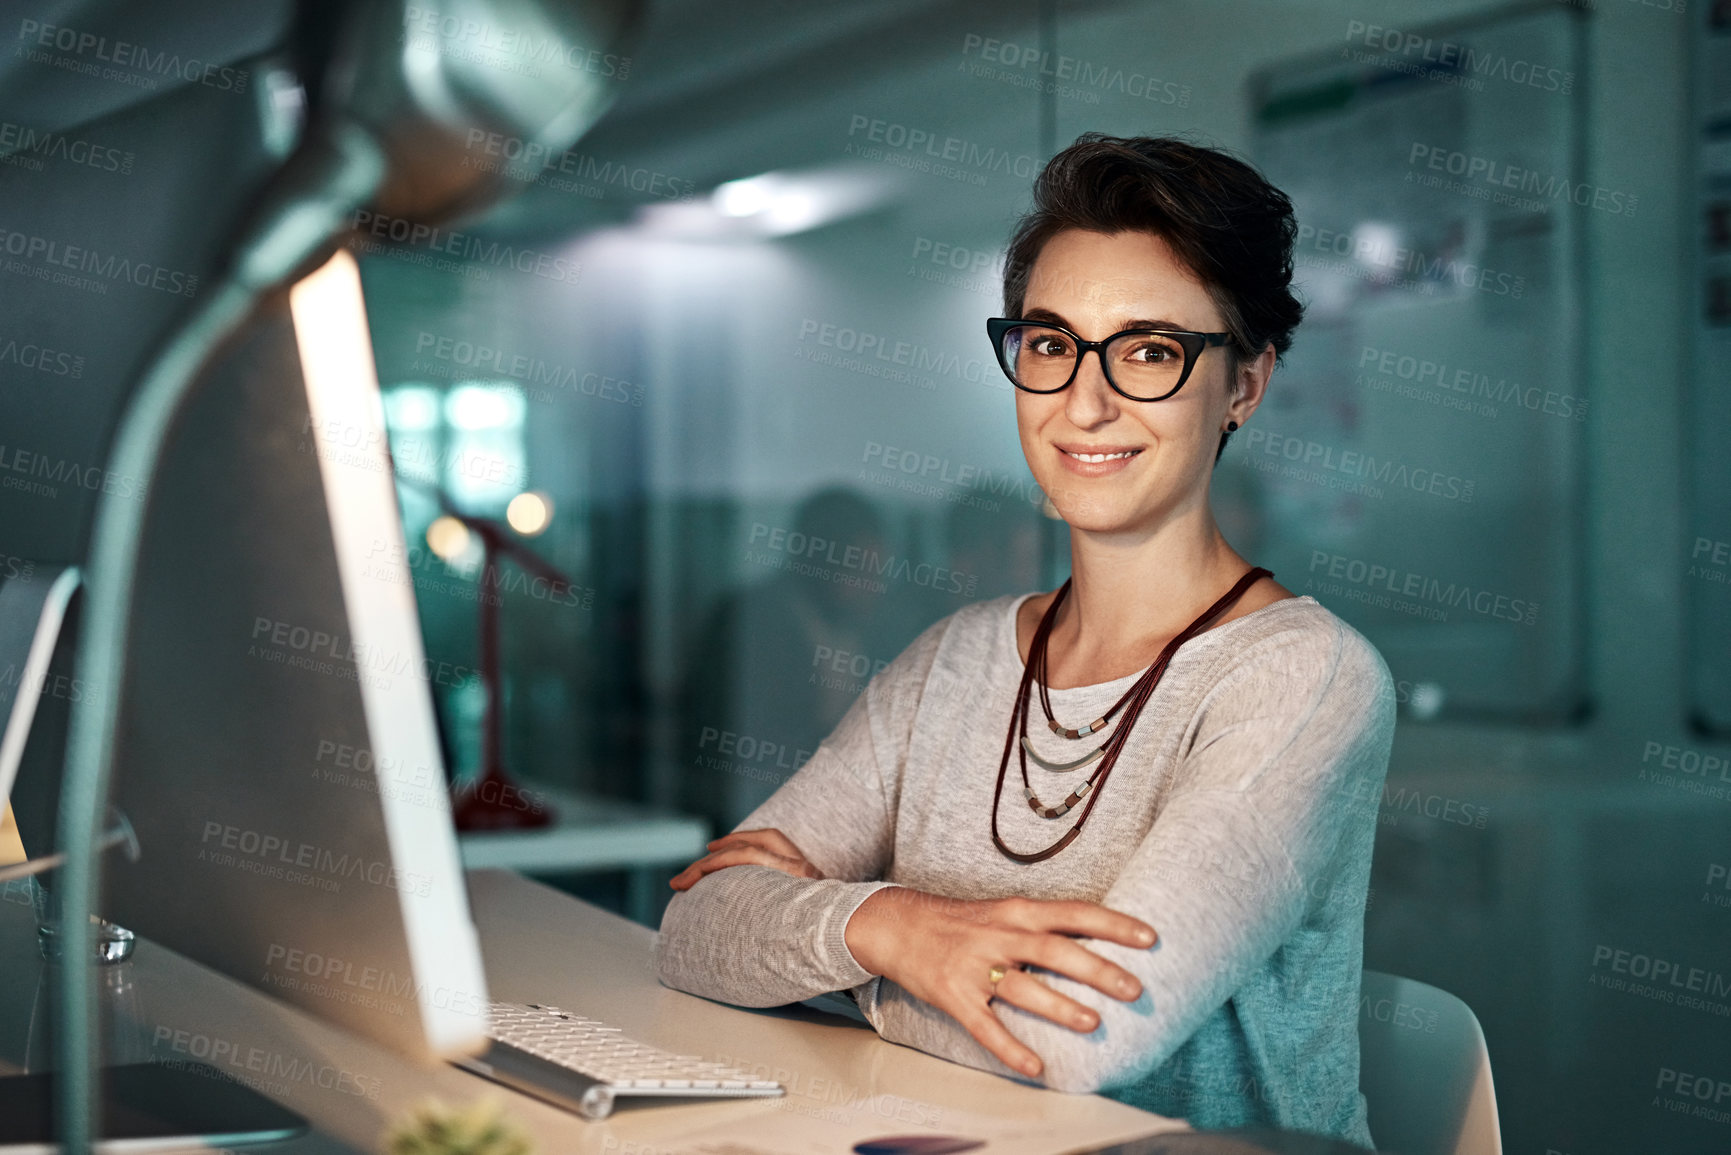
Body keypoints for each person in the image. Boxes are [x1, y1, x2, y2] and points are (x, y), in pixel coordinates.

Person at [654, 133, 1395, 1145]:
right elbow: (696, 931)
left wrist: (826, 952)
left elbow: (1074, 1041)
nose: (1084, 402)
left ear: (1245, 385)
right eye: (1050, 344)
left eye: (1149, 351)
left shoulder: (1306, 679)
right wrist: (897, 929)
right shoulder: (953, 658)